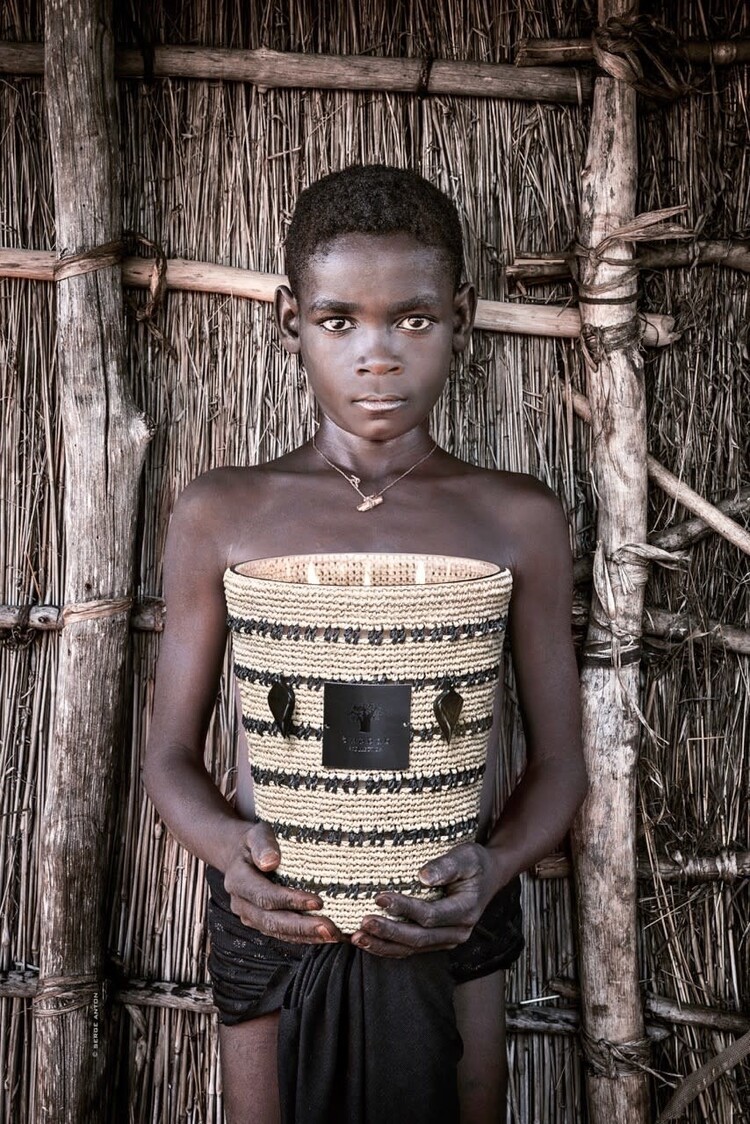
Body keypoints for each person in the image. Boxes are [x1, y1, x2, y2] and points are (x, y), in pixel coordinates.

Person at [143, 164, 587, 1124]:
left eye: (413, 320)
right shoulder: (224, 511)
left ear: (462, 318)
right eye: (339, 320)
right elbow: (169, 756)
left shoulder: (516, 518)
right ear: (289, 319)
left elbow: (558, 764)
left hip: (446, 917)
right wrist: (231, 855)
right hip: (274, 915)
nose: (377, 356)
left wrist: (493, 870)